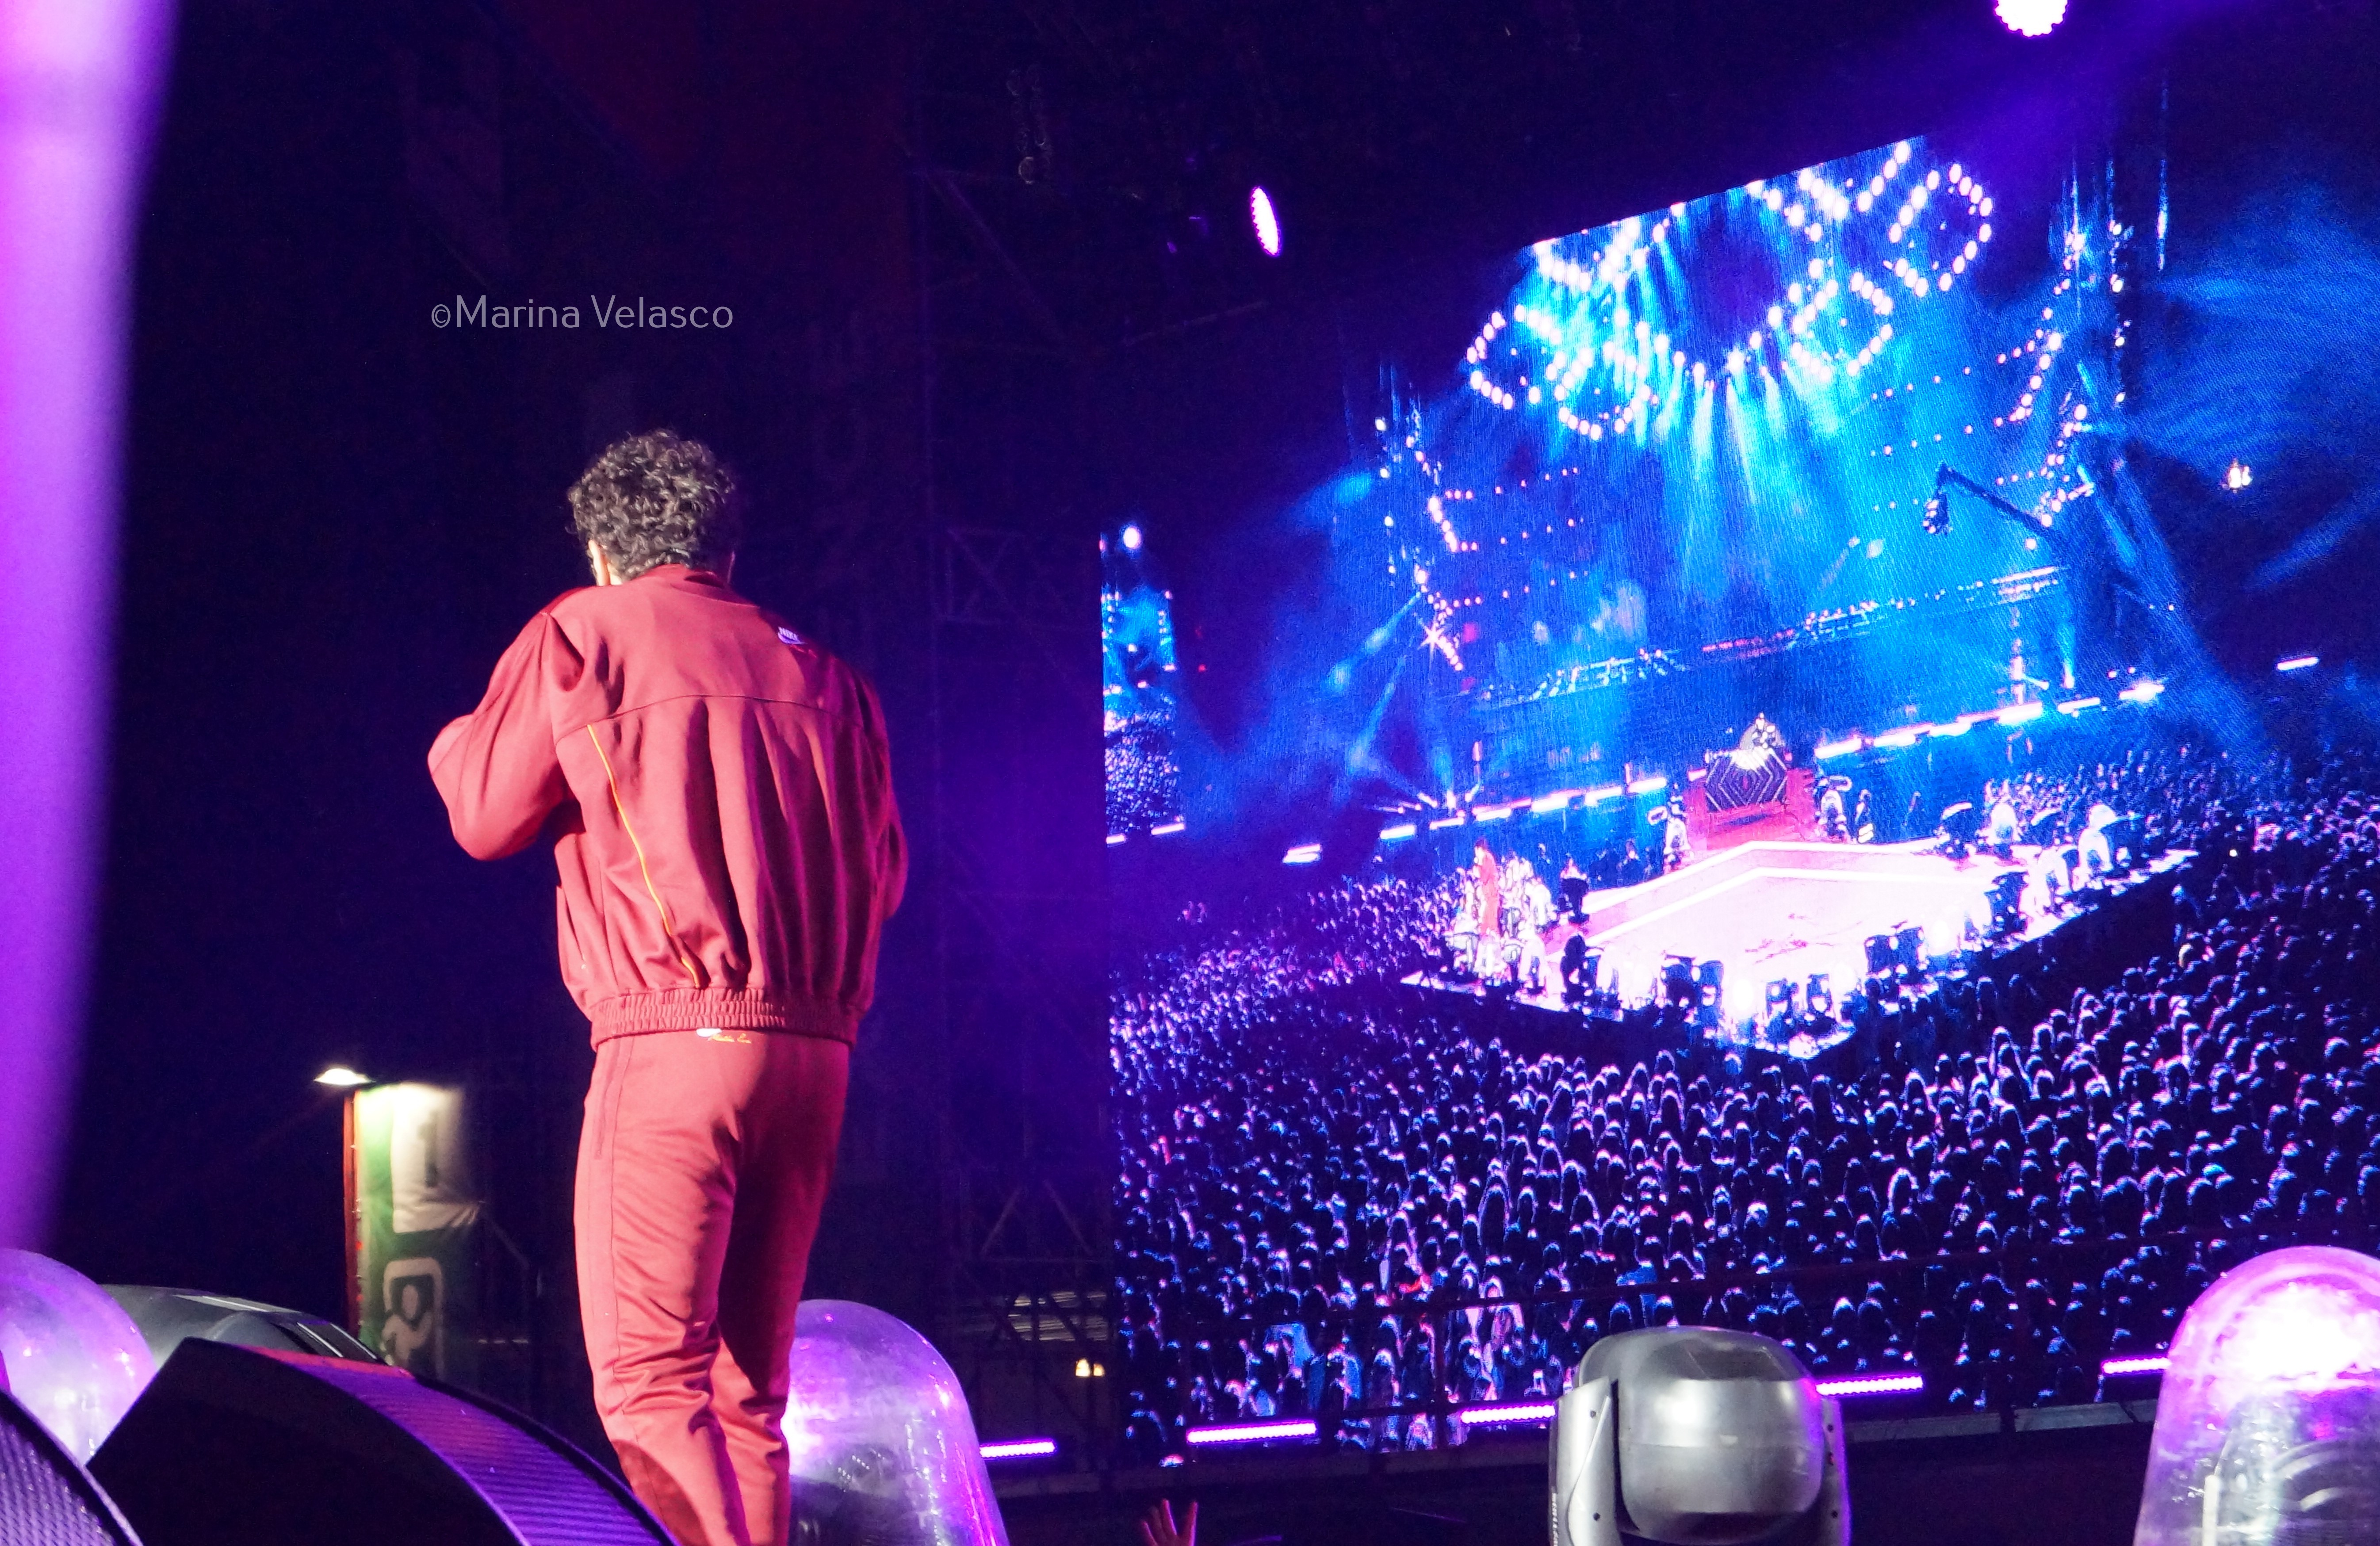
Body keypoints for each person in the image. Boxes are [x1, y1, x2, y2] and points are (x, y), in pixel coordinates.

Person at [429, 431, 906, 1546]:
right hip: (818, 1056)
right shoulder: (833, 680)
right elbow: (884, 879)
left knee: (651, 1386)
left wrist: (456, 740)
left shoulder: (585, 633)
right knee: (748, 1396)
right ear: (725, 555)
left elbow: (484, 815)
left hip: (675, 1036)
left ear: (603, 552)